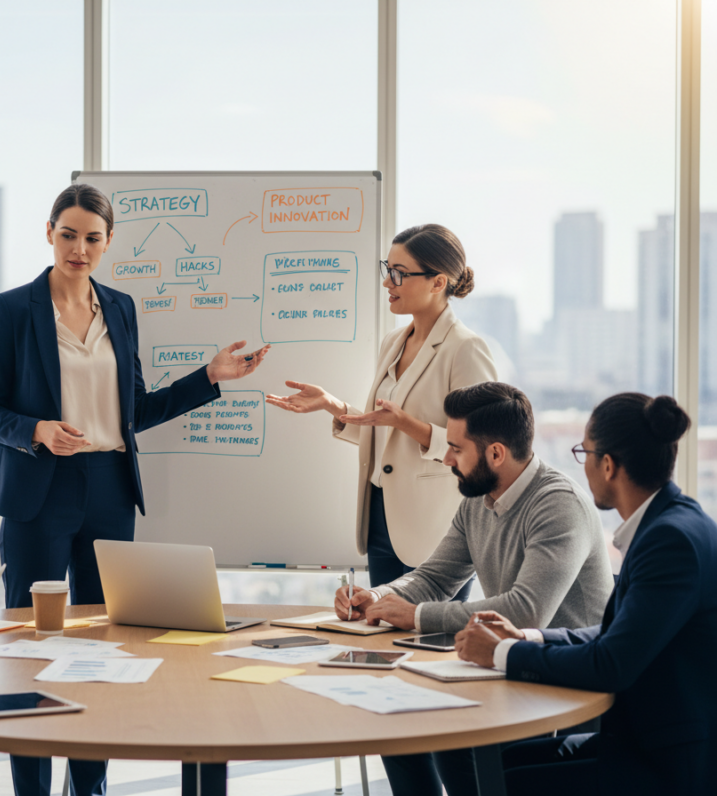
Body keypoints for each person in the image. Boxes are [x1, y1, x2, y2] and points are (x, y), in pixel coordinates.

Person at [0, 183, 269, 796]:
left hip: (108, 487)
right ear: (48, 232)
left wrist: (208, 377)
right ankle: (31, 785)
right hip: (39, 491)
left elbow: (133, 408)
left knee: (100, 645)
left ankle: (91, 786)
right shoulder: (11, 308)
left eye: (92, 238)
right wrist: (35, 430)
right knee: (32, 642)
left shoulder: (122, 308)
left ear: (109, 243)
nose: (79, 249)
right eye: (68, 235)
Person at [334, 382, 613, 796]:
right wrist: (378, 598)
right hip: (505, 667)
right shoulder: (477, 499)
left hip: (560, 678)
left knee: (452, 737)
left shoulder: (558, 505)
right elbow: (435, 576)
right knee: (395, 725)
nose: (446, 458)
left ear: (496, 453)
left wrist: (415, 615)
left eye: (456, 448)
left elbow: (525, 610)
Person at [455, 393, 717, 796]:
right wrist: (527, 637)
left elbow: (611, 663)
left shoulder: (669, 541)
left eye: (585, 453)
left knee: (505, 782)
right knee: (502, 765)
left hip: (670, 759)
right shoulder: (668, 523)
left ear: (608, 465)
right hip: (648, 737)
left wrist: (501, 654)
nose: (583, 466)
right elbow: (614, 633)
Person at [266, 224, 496, 594]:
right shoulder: (393, 342)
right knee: (382, 637)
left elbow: (478, 449)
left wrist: (406, 423)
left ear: (438, 283)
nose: (388, 282)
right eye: (387, 270)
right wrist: (333, 406)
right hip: (379, 515)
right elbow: (385, 434)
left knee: (430, 645)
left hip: (434, 528)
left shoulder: (465, 348)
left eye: (399, 274)